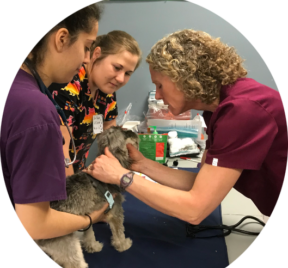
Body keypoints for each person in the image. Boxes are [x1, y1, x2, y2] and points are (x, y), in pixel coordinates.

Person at [84, 29, 288, 224]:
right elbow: (202, 184)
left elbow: (194, 209)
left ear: (183, 77)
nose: (158, 96)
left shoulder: (242, 110)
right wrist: (142, 166)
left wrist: (121, 177)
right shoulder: (218, 109)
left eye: (160, 85)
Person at [0, 3, 112, 240]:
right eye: (86, 47)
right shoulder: (35, 110)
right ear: (62, 39)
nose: (85, 60)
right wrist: (91, 218)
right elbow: (34, 225)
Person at [48, 30, 142, 175]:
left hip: (78, 173)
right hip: (56, 177)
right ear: (96, 54)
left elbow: (111, 138)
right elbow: (62, 154)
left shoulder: (106, 93)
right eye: (117, 68)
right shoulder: (68, 88)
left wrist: (114, 177)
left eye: (128, 73)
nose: (121, 79)